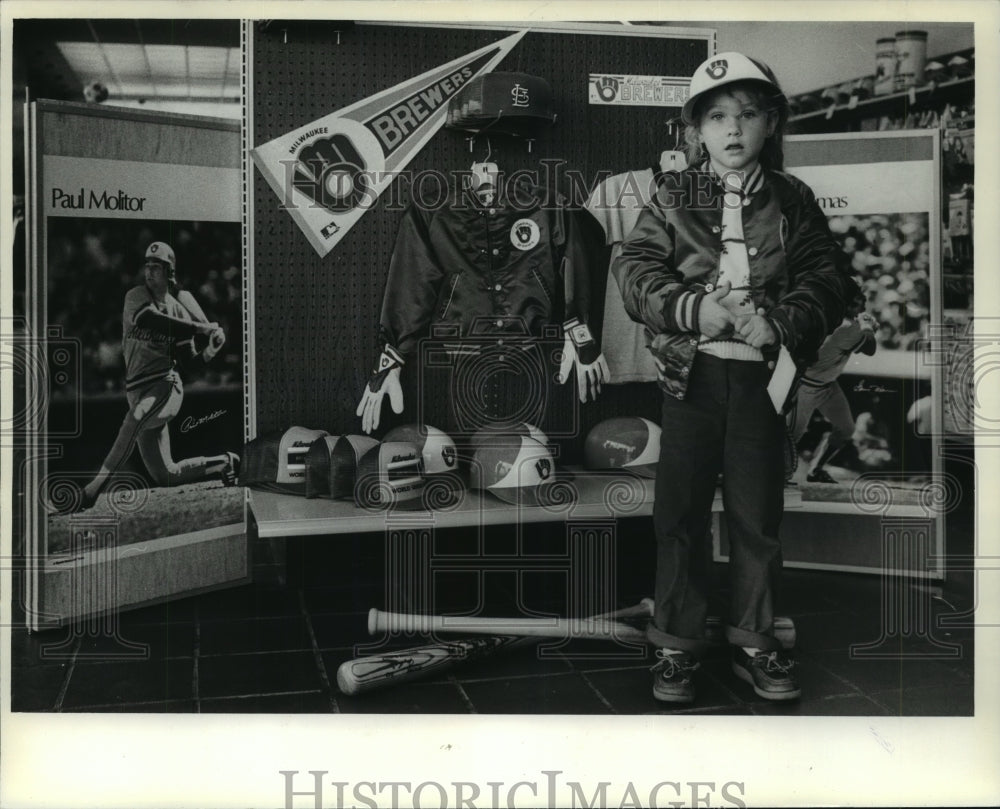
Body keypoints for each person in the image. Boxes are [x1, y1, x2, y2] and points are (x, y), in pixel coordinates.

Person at [615, 52, 853, 703]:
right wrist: (694, 307)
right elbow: (635, 271)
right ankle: (677, 643)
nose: (733, 129)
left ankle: (755, 639)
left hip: (758, 385)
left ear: (770, 122)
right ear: (695, 129)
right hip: (689, 381)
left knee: (756, 517)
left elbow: (828, 278)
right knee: (680, 515)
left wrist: (778, 321)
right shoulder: (675, 193)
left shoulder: (791, 199)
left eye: (747, 114)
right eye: (717, 116)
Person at [67, 241, 239, 513]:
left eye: (156, 268)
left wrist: (211, 350)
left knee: (133, 420)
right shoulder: (135, 296)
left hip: (166, 386)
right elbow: (150, 320)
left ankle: (90, 491)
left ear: (169, 273)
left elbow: (190, 365)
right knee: (166, 475)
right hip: (137, 390)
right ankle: (224, 462)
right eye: (147, 266)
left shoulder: (179, 309)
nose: (149, 272)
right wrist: (201, 327)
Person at [789, 287, 878, 483]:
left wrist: (866, 327)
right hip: (806, 386)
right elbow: (870, 348)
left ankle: (816, 468)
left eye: (861, 304)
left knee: (846, 429)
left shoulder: (838, 320)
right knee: (791, 436)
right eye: (855, 304)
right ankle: (772, 473)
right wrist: (868, 327)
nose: (860, 308)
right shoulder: (845, 327)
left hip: (828, 385)